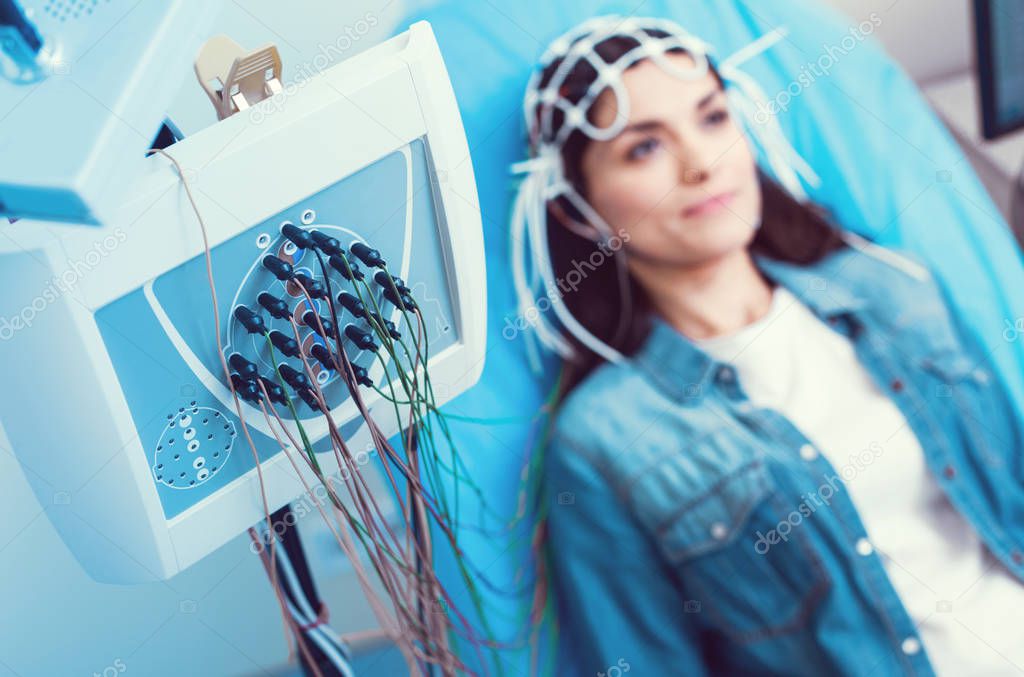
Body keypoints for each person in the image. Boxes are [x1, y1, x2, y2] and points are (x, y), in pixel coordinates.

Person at [509, 16, 1024, 676]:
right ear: (576, 208)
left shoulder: (890, 290)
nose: (702, 163)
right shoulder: (606, 442)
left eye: (713, 118)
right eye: (644, 148)